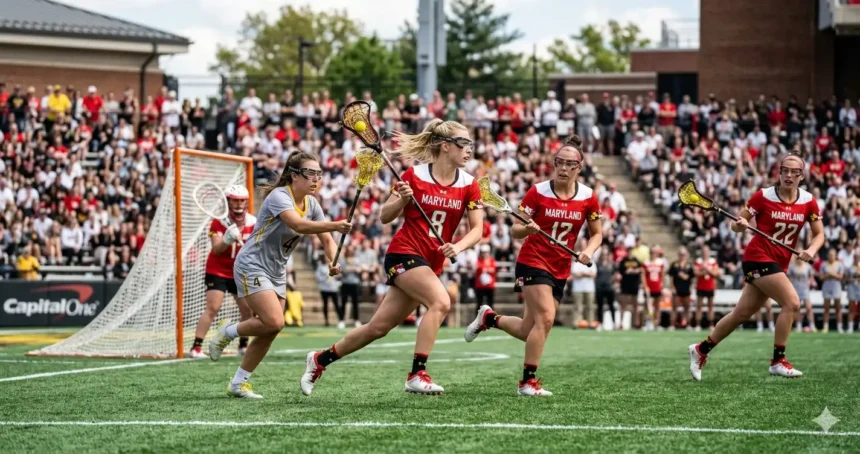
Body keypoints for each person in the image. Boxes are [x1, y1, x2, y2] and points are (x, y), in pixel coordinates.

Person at [301, 119, 484, 396]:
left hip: (429, 263)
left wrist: (458, 247)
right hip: (404, 253)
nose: (470, 149)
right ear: (446, 146)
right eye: (464, 143)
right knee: (441, 301)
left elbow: (478, 229)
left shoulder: (470, 184)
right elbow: (385, 217)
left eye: (471, 144)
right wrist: (402, 200)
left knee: (377, 328)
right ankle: (417, 373)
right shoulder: (413, 176)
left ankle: (319, 359)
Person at [463, 134, 602, 396]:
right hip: (533, 261)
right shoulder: (537, 191)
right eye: (558, 162)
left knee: (531, 329)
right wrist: (527, 228)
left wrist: (588, 251)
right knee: (547, 319)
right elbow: (516, 230)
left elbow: (597, 233)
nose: (563, 167)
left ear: (579, 167)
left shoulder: (588, 197)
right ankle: (528, 382)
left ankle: (489, 318)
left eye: (569, 164)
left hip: (560, 266)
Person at [208, 152, 352, 398]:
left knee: (271, 329)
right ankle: (228, 332)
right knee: (274, 321)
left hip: (276, 269)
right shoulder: (279, 196)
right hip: (252, 264)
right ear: (295, 176)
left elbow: (327, 240)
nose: (316, 179)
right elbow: (299, 226)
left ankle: (238, 383)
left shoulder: (312, 204)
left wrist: (332, 261)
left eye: (319, 174)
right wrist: (335, 224)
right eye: (311, 173)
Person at [689, 154, 824, 380]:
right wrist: (741, 224)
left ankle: (700, 350)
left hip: (779, 262)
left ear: (802, 176)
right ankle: (778, 360)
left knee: (741, 314)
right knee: (792, 303)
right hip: (758, 257)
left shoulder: (808, 201)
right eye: (785, 170)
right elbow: (735, 225)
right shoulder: (763, 196)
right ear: (779, 172)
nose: (788, 175)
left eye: (794, 172)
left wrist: (810, 250)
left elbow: (819, 234)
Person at [189, 185, 255, 358]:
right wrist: (226, 239)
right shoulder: (218, 222)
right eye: (235, 200)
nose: (239, 204)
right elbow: (217, 249)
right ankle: (196, 347)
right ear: (228, 201)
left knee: (247, 309)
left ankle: (243, 345)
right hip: (217, 270)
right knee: (213, 307)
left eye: (242, 200)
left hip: (239, 271)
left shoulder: (253, 223)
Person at [693, 245, 720, 331]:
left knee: (710, 306)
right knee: (699, 306)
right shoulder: (698, 261)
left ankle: (711, 323)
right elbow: (696, 273)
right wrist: (705, 271)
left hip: (710, 286)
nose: (705, 253)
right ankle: (698, 324)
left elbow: (716, 274)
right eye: (703, 251)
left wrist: (707, 270)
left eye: (706, 251)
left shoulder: (713, 261)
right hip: (700, 286)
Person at [617, 245, 643, 330]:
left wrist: (633, 271)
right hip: (625, 285)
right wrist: (631, 271)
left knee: (635, 305)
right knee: (623, 305)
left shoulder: (636, 260)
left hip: (634, 285)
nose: (630, 252)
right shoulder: (623, 261)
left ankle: (636, 323)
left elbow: (640, 270)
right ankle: (621, 323)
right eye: (628, 251)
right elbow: (623, 271)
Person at [787, 255, 815, 333]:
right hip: (796, 289)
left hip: (805, 289)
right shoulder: (792, 267)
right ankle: (799, 325)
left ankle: (812, 325)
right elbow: (788, 277)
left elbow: (811, 276)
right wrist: (790, 285)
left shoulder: (807, 266)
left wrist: (810, 282)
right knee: (797, 308)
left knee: (808, 307)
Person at [819, 248, 844, 334]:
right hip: (827, 286)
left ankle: (839, 327)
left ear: (835, 256)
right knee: (826, 308)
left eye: (832, 255)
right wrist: (828, 275)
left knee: (838, 307)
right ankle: (825, 327)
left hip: (836, 286)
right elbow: (821, 277)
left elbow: (841, 277)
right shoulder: (823, 264)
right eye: (830, 255)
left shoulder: (839, 265)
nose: (831, 256)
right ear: (827, 255)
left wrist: (832, 274)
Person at [668, 247, 694, 330]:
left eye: (683, 255)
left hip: (686, 289)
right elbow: (671, 278)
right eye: (680, 254)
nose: (682, 256)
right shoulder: (674, 265)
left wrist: (691, 287)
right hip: (677, 288)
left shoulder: (689, 266)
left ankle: (688, 324)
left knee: (687, 307)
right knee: (674, 308)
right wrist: (672, 287)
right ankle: (672, 324)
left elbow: (692, 278)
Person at [643, 246, 667, 330]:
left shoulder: (660, 262)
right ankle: (646, 323)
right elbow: (643, 275)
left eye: (654, 252)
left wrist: (662, 284)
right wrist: (645, 286)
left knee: (657, 306)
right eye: (651, 252)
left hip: (657, 287)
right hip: (649, 288)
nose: (652, 254)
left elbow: (663, 275)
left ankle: (657, 323)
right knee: (647, 306)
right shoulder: (646, 262)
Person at [473, 244, 497, 311]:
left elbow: (493, 269)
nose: (484, 254)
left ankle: (491, 319)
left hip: (490, 286)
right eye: (483, 252)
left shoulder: (492, 261)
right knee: (479, 304)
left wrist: (485, 269)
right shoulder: (479, 261)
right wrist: (485, 268)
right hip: (480, 286)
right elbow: (476, 268)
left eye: (486, 252)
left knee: (490, 304)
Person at [846, 251, 860, 334]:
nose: (857, 258)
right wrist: (853, 278)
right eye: (855, 256)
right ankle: (850, 327)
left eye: (858, 256)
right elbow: (845, 279)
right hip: (851, 287)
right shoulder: (849, 267)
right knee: (851, 308)